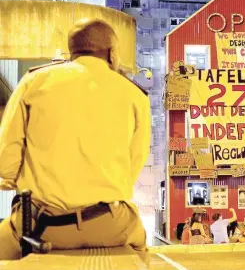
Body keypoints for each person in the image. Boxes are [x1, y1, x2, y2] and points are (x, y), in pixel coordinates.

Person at [0, 19, 151, 265]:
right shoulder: (135, 96)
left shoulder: (33, 82)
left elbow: (5, 163)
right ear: (112, 54)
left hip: (39, 225)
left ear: (73, 51)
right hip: (108, 224)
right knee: (141, 249)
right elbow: (131, 171)